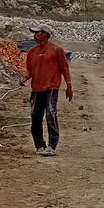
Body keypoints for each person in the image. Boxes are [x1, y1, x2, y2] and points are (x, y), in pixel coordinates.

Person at [24, 26, 72, 156]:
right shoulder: (32, 52)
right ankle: (39, 145)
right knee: (35, 116)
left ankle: (52, 145)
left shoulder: (57, 50)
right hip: (36, 88)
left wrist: (69, 85)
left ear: (45, 34)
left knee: (51, 113)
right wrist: (24, 78)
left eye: (37, 33)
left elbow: (64, 68)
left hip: (51, 87)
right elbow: (29, 70)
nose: (34, 36)